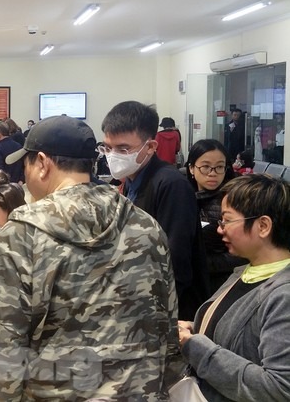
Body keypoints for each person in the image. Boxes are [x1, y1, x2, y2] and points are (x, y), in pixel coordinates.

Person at [0, 115, 178, 400]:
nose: (25, 174)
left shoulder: (21, 235)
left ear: (43, 163)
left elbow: (0, 353)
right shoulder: (146, 226)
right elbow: (168, 328)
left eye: (26, 164)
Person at [178, 174, 290, 401]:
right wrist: (195, 327)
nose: (220, 229)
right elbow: (243, 338)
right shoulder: (246, 272)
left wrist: (194, 347)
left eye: (227, 220)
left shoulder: (283, 296)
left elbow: (279, 387)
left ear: (263, 226)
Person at [101, 100, 209, 320]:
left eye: (123, 149)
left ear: (150, 147)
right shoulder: (130, 181)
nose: (112, 156)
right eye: (107, 148)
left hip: (172, 308)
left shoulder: (171, 185)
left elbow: (176, 259)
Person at [186, 139, 246, 292]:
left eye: (219, 167)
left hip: (221, 284)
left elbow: (244, 254)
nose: (213, 173)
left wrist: (203, 264)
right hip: (190, 283)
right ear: (192, 168)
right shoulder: (183, 196)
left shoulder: (233, 201)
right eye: (206, 167)